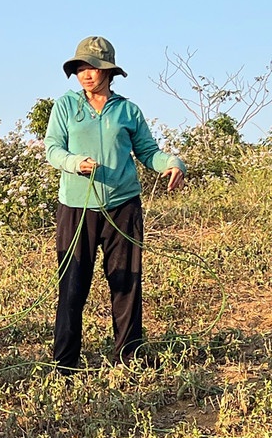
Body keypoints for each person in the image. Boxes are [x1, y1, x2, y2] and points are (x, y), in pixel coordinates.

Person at [43, 36, 186, 374]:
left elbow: (148, 152)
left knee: (126, 283)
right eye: (80, 68)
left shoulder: (127, 110)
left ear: (108, 71)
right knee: (73, 285)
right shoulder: (66, 107)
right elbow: (53, 149)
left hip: (123, 207)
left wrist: (173, 162)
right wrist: (76, 162)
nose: (85, 74)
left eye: (91, 67)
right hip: (76, 208)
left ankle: (129, 357)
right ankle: (65, 365)